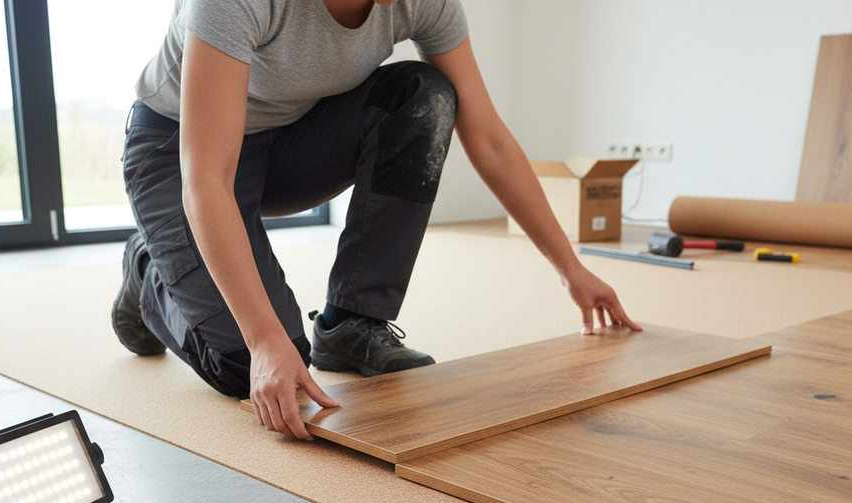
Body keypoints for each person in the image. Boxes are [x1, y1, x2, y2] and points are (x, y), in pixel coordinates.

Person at [113, 0, 641, 442]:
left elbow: (491, 139)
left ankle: (351, 323)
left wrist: (572, 268)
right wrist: (264, 340)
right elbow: (206, 177)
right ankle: (148, 273)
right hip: (178, 151)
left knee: (425, 95)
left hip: (294, 143)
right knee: (250, 361)